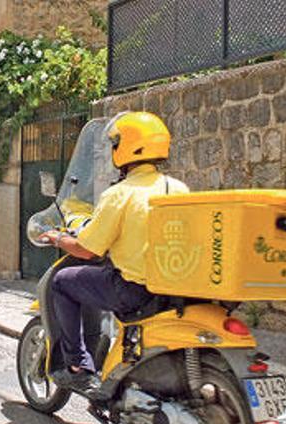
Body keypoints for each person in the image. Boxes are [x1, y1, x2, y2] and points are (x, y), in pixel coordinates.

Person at [38, 111, 189, 397]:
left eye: (116, 144)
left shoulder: (120, 193)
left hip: (132, 290)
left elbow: (86, 249)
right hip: (172, 289)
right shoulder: (178, 188)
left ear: (125, 148)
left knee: (62, 282)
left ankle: (77, 366)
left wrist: (57, 238)